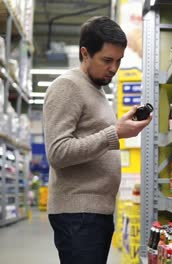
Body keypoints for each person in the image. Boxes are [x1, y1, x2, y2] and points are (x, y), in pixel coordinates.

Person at [43, 16, 151, 264]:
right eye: (107, 60)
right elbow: (58, 153)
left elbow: (93, 137)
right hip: (77, 214)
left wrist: (119, 127)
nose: (113, 68)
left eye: (119, 61)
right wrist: (115, 133)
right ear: (85, 53)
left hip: (94, 213)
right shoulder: (67, 87)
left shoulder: (97, 90)